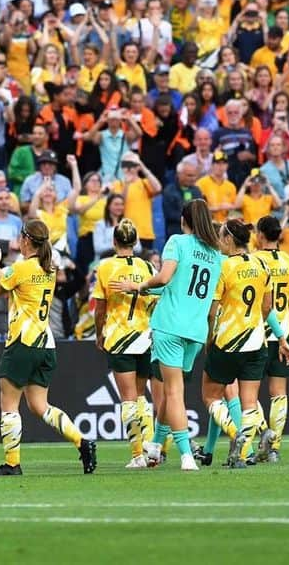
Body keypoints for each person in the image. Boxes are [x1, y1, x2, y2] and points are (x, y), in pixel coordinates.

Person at [0, 219, 97, 476]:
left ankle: (12, 463)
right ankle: (82, 442)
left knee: (9, 404)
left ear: (27, 240)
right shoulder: (49, 268)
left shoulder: (21, 267)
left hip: (22, 341)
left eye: (21, 237)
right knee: (39, 406)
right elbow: (10, 280)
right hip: (45, 343)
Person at [111, 200, 223, 471]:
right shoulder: (217, 254)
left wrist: (138, 285)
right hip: (196, 331)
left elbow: (163, 277)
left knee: (172, 393)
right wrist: (144, 290)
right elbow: (183, 289)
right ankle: (156, 446)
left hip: (170, 326)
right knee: (169, 390)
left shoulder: (178, 242)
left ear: (184, 221)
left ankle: (185, 454)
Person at [202, 219, 289, 469]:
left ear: (230, 239)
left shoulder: (225, 267)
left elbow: (212, 311)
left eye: (221, 237)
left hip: (229, 341)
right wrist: (255, 324)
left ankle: (236, 435)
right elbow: (267, 306)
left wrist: (210, 338)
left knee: (210, 396)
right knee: (249, 402)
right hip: (257, 342)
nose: (219, 241)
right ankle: (241, 455)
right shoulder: (261, 264)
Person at [91, 219, 157, 469]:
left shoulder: (105, 267)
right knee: (142, 397)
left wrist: (100, 333)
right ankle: (152, 450)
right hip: (144, 336)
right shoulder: (147, 266)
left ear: (114, 241)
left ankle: (137, 454)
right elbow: (154, 300)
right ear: (136, 242)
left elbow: (100, 308)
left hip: (120, 338)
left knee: (128, 399)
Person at [251, 216, 289, 464]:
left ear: (260, 234)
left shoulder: (253, 260)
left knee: (248, 391)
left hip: (257, 333)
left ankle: (263, 434)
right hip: (284, 331)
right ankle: (274, 448)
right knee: (279, 392)